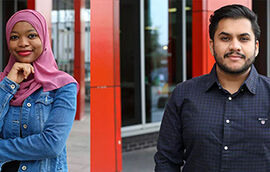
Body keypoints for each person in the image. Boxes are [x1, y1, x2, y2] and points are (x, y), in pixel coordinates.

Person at [154, 4, 270, 172]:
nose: (235, 46)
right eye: (225, 38)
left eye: (244, 38)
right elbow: (166, 161)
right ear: (211, 45)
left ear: (256, 47)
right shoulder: (184, 94)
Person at [0, 9, 78, 171]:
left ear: (44, 39)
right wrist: (10, 84)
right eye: (14, 37)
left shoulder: (63, 86)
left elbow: (52, 145)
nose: (22, 43)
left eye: (31, 35)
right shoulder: (3, 83)